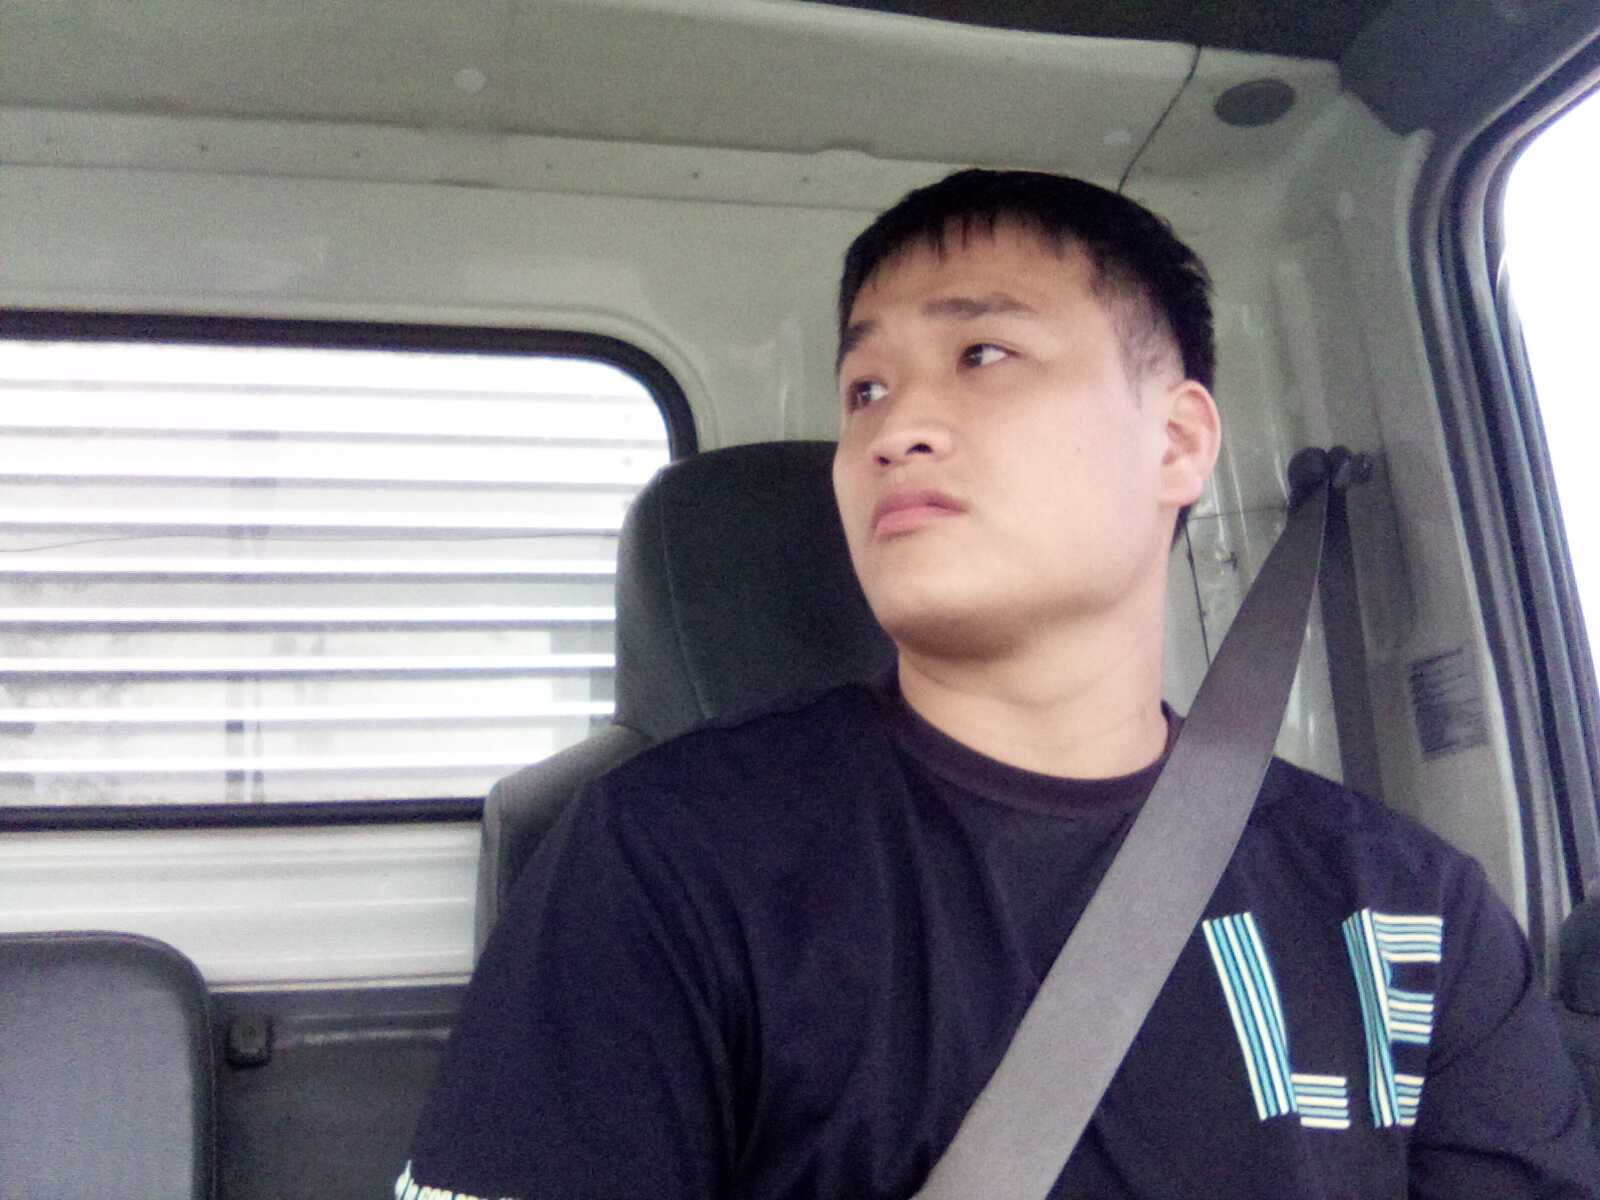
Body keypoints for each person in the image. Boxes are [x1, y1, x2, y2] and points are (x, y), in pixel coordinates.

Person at [397, 170, 1600, 1198]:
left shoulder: (1414, 911)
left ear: (1178, 441)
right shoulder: (667, 857)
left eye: (983, 354)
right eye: (864, 389)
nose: (894, 428)